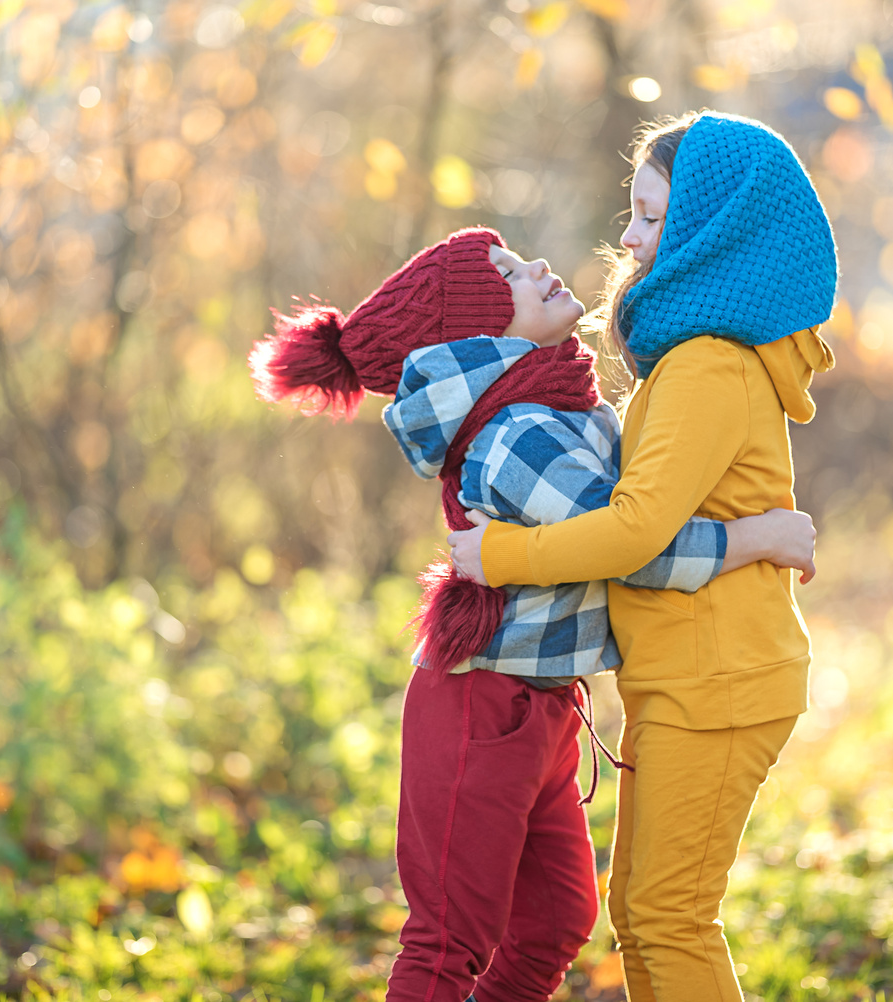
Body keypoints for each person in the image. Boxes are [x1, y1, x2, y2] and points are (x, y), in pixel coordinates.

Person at [248, 226, 817, 1002]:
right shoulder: (517, 435)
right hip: (482, 707)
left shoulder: (553, 407)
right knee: (450, 935)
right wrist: (753, 538)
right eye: (511, 275)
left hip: (541, 705)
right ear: (480, 329)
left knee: (554, 919)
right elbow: (626, 545)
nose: (540, 267)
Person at [448, 112, 839, 1002]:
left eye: (652, 215)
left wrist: (500, 554)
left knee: (668, 920)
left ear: (711, 232)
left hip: (719, 681)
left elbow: (633, 531)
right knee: (648, 915)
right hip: (691, 674)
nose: (628, 234)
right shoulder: (692, 359)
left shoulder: (707, 367)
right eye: (633, 211)